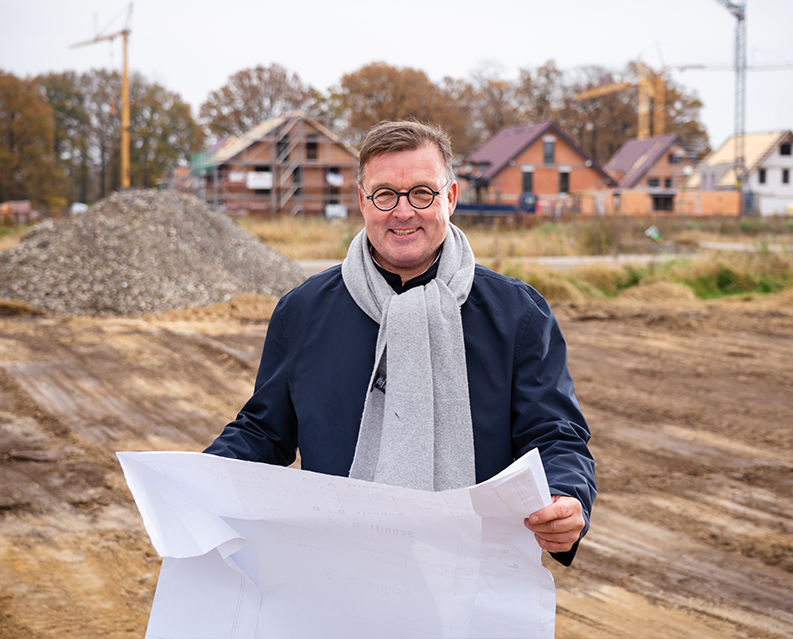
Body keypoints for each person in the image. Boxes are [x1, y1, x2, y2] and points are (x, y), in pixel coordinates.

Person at [205, 120, 595, 565]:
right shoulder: (303, 312)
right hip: (338, 571)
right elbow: (264, 432)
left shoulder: (518, 314)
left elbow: (555, 434)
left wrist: (567, 493)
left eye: (422, 194)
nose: (403, 211)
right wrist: (195, 479)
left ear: (450, 197)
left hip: (475, 572)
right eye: (385, 194)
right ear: (362, 202)